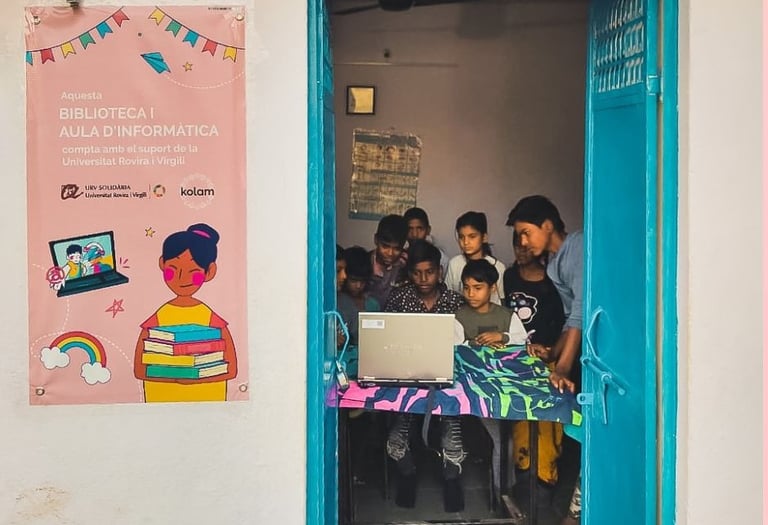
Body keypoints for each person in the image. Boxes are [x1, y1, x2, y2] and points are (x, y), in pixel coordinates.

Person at [506, 195, 582, 525]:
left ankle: (574, 507)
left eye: (526, 232)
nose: (522, 242)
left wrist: (561, 367)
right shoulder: (553, 264)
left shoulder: (577, 247)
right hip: (576, 348)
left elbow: (581, 314)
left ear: (548, 225)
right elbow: (569, 320)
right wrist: (552, 353)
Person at [383, 240, 466, 512]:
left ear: (439, 272)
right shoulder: (399, 299)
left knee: (452, 433)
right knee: (396, 441)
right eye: (417, 273)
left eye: (429, 272)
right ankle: (408, 474)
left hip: (447, 381)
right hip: (408, 380)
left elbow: (465, 344)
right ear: (409, 274)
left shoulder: (455, 301)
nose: (423, 279)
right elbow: (386, 340)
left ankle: (451, 479)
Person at [134, 223, 238, 403]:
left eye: (193, 272)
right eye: (173, 270)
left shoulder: (211, 319)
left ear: (210, 272)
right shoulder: (158, 318)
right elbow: (140, 369)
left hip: (208, 401)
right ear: (162, 263)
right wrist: (176, 378)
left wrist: (194, 378)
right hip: (161, 401)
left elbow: (231, 369)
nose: (182, 279)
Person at [504, 231, 567, 498]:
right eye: (516, 246)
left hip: (548, 359)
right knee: (520, 419)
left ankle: (544, 479)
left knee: (547, 421)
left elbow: (565, 323)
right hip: (517, 360)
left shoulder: (552, 281)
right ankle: (524, 474)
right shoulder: (508, 277)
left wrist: (552, 353)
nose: (521, 251)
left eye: (526, 247)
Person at [444, 211, 505, 304]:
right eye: (461, 237)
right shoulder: (455, 264)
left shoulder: (497, 267)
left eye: (472, 236)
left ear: (484, 237)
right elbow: (448, 295)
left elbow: (502, 301)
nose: (466, 242)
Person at [337, 245, 380, 346]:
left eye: (362, 281)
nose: (358, 286)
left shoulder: (372, 304)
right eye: (353, 280)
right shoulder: (335, 302)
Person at [367, 214, 408, 307]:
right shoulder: (364, 262)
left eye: (397, 248)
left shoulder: (405, 264)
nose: (390, 253)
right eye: (385, 246)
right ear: (376, 240)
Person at [402, 206, 448, 272]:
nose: (415, 234)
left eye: (420, 229)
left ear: (428, 230)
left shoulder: (441, 259)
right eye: (410, 229)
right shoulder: (400, 256)